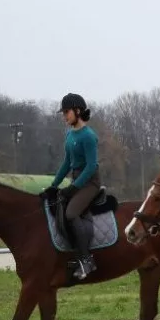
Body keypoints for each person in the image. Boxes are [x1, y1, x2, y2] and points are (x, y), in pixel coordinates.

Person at [44, 92, 100, 280]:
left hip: (90, 181)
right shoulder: (69, 135)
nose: (64, 116)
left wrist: (74, 188)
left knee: (71, 213)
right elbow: (67, 163)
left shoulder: (89, 136)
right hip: (76, 179)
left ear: (78, 111)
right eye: (63, 112)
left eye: (66, 112)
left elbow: (91, 166)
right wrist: (54, 185)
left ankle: (86, 260)